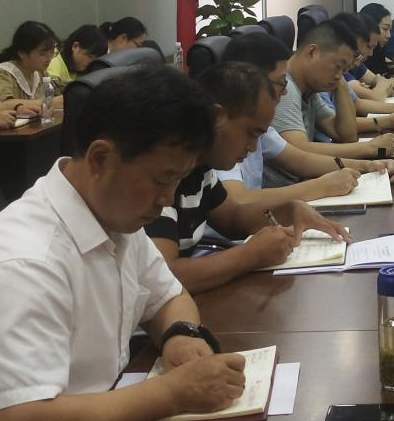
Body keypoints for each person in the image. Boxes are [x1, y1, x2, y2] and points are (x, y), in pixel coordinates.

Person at [0, 66, 249, 421]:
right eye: (163, 179)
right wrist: (173, 392)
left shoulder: (114, 214)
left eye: (178, 179)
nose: (168, 199)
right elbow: (21, 415)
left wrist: (181, 335)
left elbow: (169, 296)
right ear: (101, 159)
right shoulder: (21, 264)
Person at [145, 62, 351, 293]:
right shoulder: (163, 175)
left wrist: (288, 210)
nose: (253, 147)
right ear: (216, 116)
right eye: (251, 133)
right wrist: (249, 256)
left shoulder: (201, 167)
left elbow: (232, 217)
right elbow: (163, 277)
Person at [216, 33, 365, 202]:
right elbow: (237, 201)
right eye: (281, 82)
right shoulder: (223, 132)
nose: (285, 91)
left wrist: (369, 165)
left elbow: (301, 160)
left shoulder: (258, 124)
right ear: (247, 79)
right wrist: (321, 186)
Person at [266, 20, 394, 188]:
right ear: (312, 52)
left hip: (302, 183)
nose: (338, 75)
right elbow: (300, 150)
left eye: (344, 71)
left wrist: (341, 84)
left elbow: (345, 135)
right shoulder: (285, 89)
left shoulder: (308, 88)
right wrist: (370, 148)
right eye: (337, 66)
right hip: (285, 190)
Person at [0, 21, 64, 105]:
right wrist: (52, 102)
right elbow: (0, 104)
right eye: (42, 54)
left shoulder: (40, 73)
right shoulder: (0, 75)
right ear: (22, 53)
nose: (49, 58)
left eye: (52, 52)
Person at [347, 10, 394, 101]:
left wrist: (379, 88)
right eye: (385, 29)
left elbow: (381, 82)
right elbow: (377, 96)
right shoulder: (347, 66)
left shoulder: (357, 61)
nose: (370, 53)